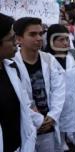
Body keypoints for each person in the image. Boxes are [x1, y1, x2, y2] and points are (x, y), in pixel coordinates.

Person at [13, 17, 66, 152]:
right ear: (19, 39)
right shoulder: (11, 64)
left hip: (48, 125)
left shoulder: (49, 59)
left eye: (41, 33)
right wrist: (36, 119)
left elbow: (59, 89)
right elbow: (17, 97)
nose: (39, 38)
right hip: (25, 125)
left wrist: (53, 115)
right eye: (32, 34)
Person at [0, 14, 44, 152]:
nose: (16, 43)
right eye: (11, 39)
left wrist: (39, 119)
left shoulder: (11, 68)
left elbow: (22, 105)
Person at [45, 24, 75, 152]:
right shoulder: (45, 60)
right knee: (58, 145)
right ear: (51, 41)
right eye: (61, 40)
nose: (65, 43)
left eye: (67, 39)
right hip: (57, 110)